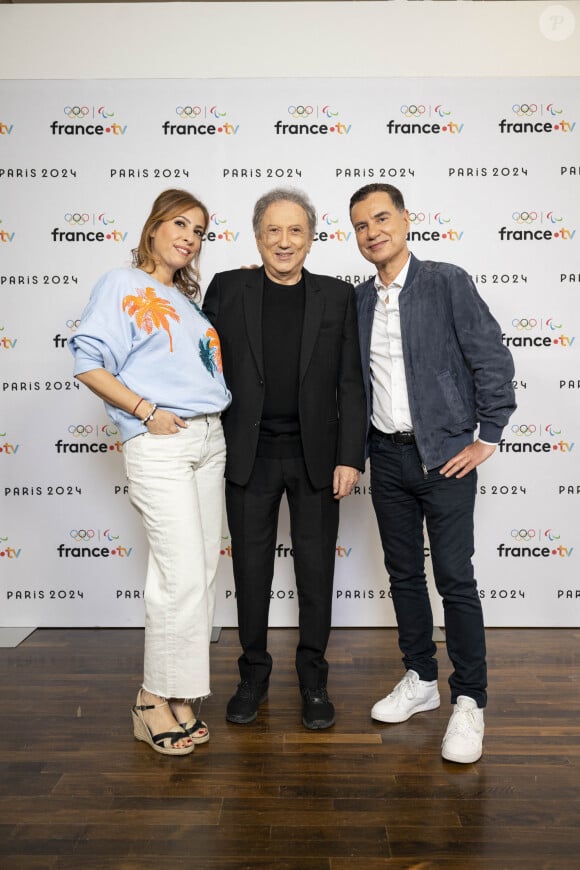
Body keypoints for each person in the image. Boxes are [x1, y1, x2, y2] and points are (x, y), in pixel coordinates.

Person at [349, 183, 516, 763]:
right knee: (403, 575)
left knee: (455, 579)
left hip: (445, 457)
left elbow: (490, 356)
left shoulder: (447, 281)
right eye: (361, 226)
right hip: (387, 457)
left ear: (405, 220)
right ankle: (421, 679)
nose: (373, 232)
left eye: (382, 218)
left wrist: (487, 437)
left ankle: (469, 701)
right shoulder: (360, 301)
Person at [70, 189, 231, 756]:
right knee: (180, 572)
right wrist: (144, 411)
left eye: (200, 230)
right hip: (163, 439)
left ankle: (179, 691)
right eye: (179, 223)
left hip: (210, 437)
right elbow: (88, 359)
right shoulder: (121, 283)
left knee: (200, 573)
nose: (189, 236)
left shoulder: (186, 299)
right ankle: (151, 698)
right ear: (153, 227)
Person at [203, 188, 366, 730]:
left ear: (312, 238)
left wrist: (351, 456)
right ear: (256, 236)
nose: (283, 241)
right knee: (250, 570)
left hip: (317, 456)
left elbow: (350, 381)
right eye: (273, 230)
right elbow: (197, 366)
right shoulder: (227, 288)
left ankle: (314, 681)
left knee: (316, 572)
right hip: (247, 454)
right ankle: (252, 676)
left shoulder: (337, 297)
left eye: (295, 230)